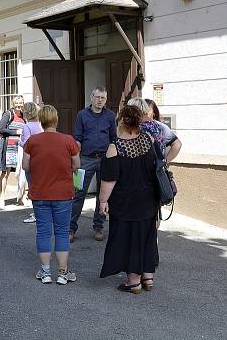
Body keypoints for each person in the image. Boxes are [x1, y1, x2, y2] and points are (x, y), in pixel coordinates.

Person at [98, 105, 160, 294]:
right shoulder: (149, 139)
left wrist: (102, 202)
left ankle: (133, 281)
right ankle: (148, 277)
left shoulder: (115, 147)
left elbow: (109, 180)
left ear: (122, 121)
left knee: (128, 237)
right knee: (148, 236)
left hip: (125, 201)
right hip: (149, 198)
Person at [22, 105, 81, 285]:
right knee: (62, 232)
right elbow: (76, 165)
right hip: (63, 193)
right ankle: (63, 273)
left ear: (41, 120)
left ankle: (46, 271)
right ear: (56, 120)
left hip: (40, 192)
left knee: (43, 232)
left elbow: (25, 166)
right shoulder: (68, 140)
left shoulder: (32, 141)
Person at [71, 86, 117, 242]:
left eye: (103, 98)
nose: (100, 101)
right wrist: (76, 159)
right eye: (97, 97)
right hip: (86, 159)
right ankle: (71, 228)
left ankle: (99, 226)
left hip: (105, 159)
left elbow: (113, 138)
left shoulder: (110, 115)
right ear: (92, 97)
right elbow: (77, 138)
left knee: (103, 195)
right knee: (78, 193)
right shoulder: (82, 115)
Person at [0, 95, 26, 209]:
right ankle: (2, 198)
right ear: (13, 104)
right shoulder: (8, 114)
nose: (19, 105)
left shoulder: (24, 116)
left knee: (22, 173)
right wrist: (16, 131)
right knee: (6, 172)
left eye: (21, 103)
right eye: (17, 103)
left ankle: (21, 197)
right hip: (8, 148)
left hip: (20, 149)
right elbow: (1, 129)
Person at [18, 102, 43, 223]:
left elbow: (28, 144)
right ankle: (41, 212)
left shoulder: (26, 127)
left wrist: (19, 142)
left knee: (33, 187)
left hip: (31, 160)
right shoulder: (40, 125)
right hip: (41, 160)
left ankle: (37, 213)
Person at [145, 99, 182, 163]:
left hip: (155, 168)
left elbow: (177, 144)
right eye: (143, 109)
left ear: (154, 113)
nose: (145, 112)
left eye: (148, 110)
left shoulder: (160, 126)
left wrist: (164, 162)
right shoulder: (135, 126)